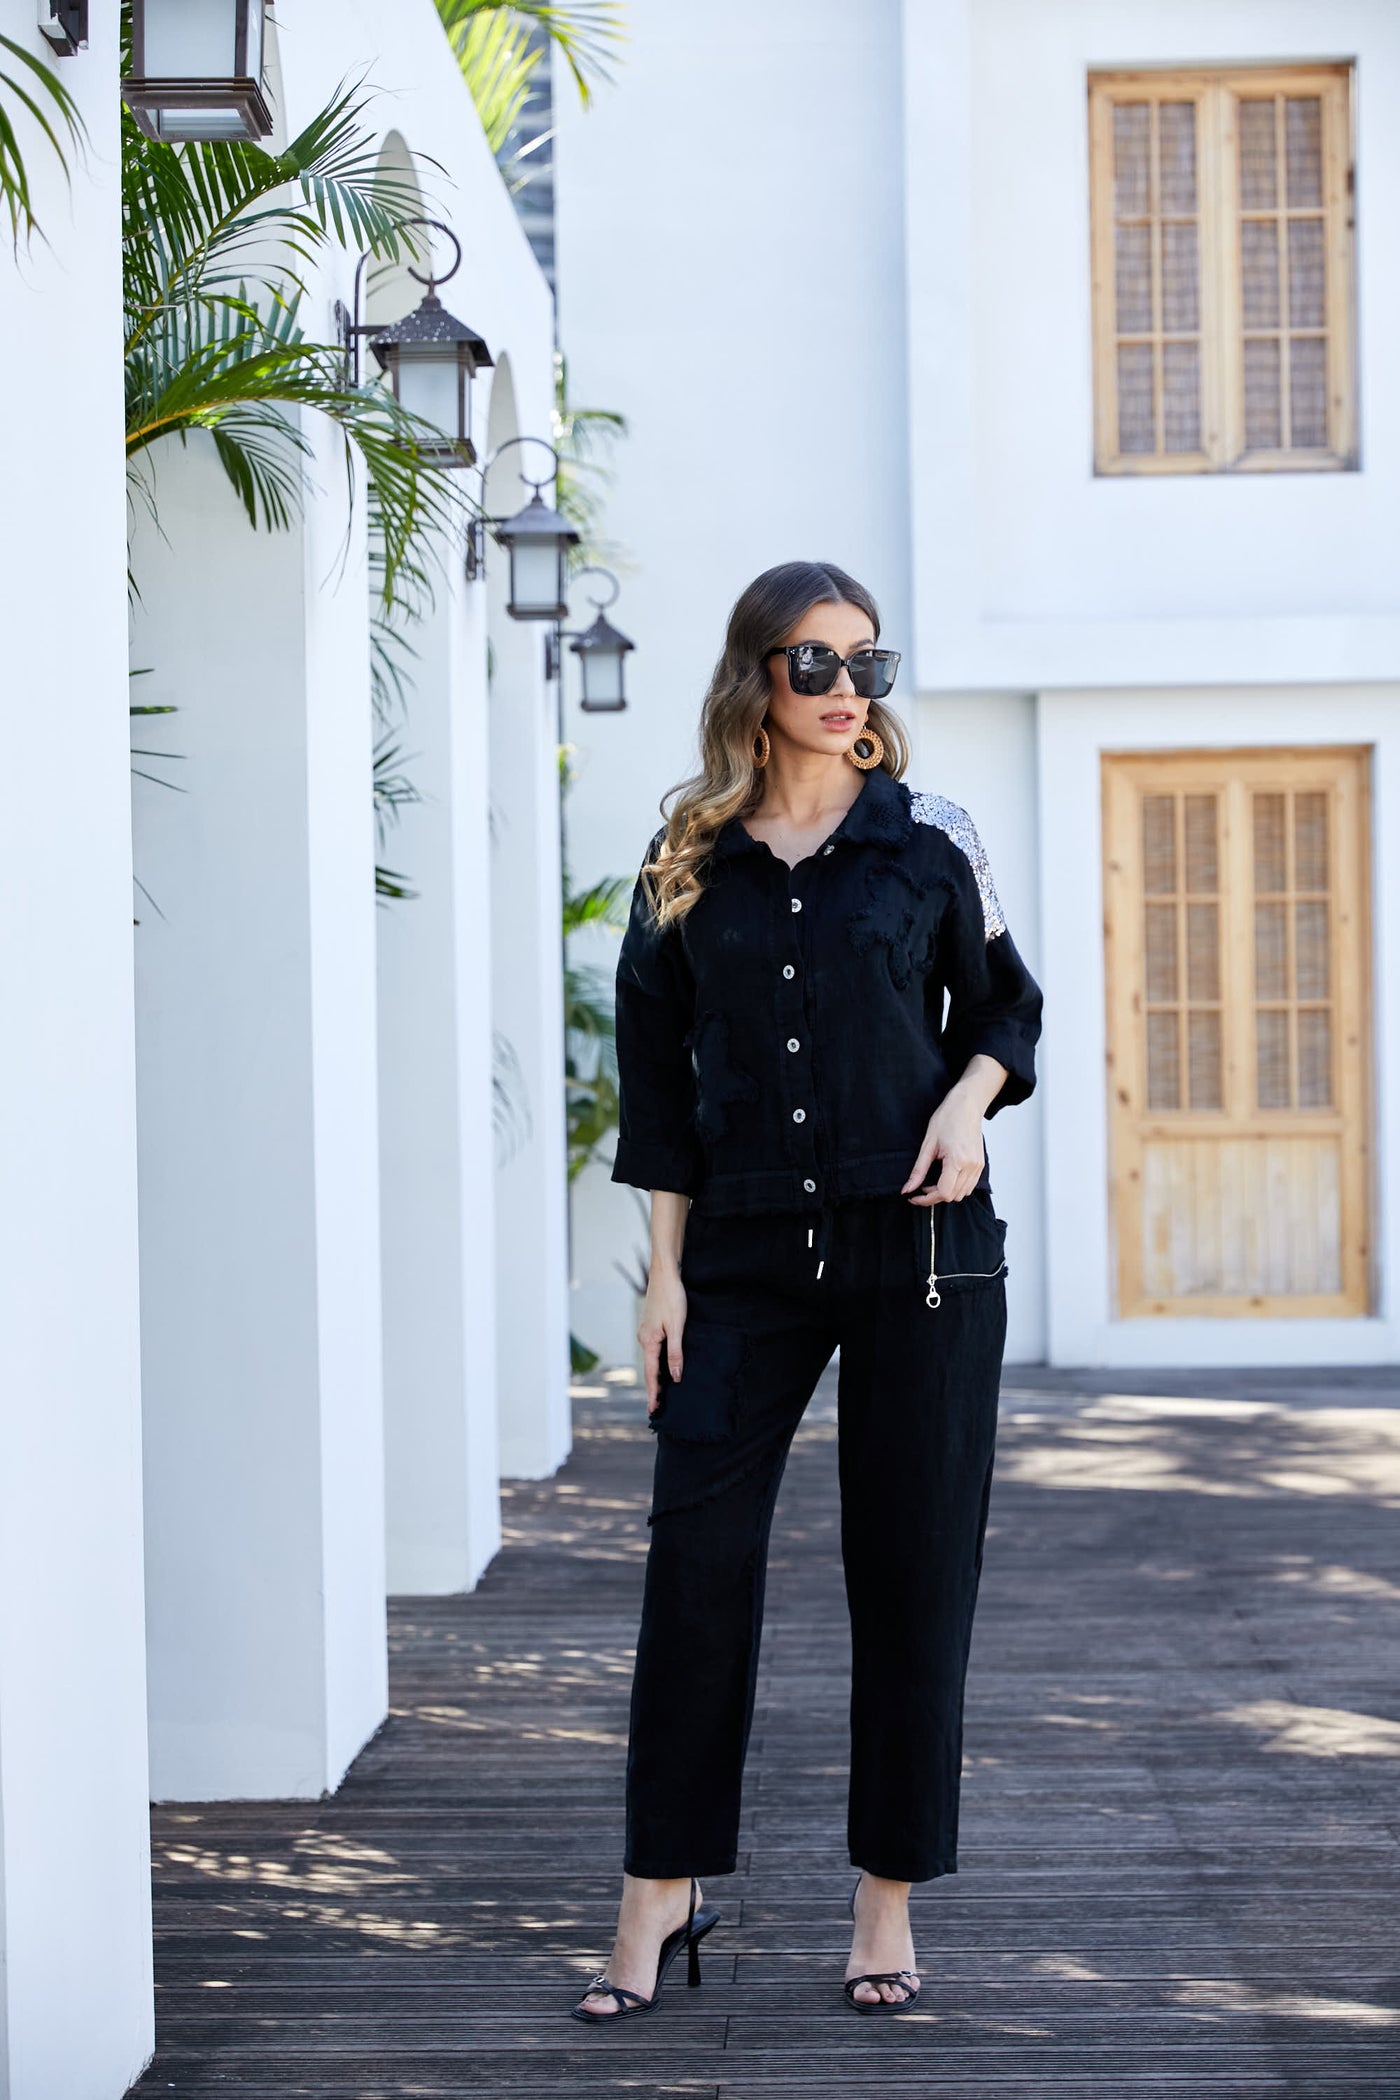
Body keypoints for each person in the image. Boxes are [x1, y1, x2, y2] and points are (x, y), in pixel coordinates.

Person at [571, 560, 1043, 2022]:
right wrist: (665, 1275)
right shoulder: (687, 860)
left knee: (911, 1573)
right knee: (694, 1569)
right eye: (815, 663)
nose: (848, 691)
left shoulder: (931, 839)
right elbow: (657, 1091)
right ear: (755, 678)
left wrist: (965, 1103)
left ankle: (885, 1898)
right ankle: (660, 1890)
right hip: (741, 1260)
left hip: (923, 1254)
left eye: (867, 664)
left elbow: (1008, 1009)